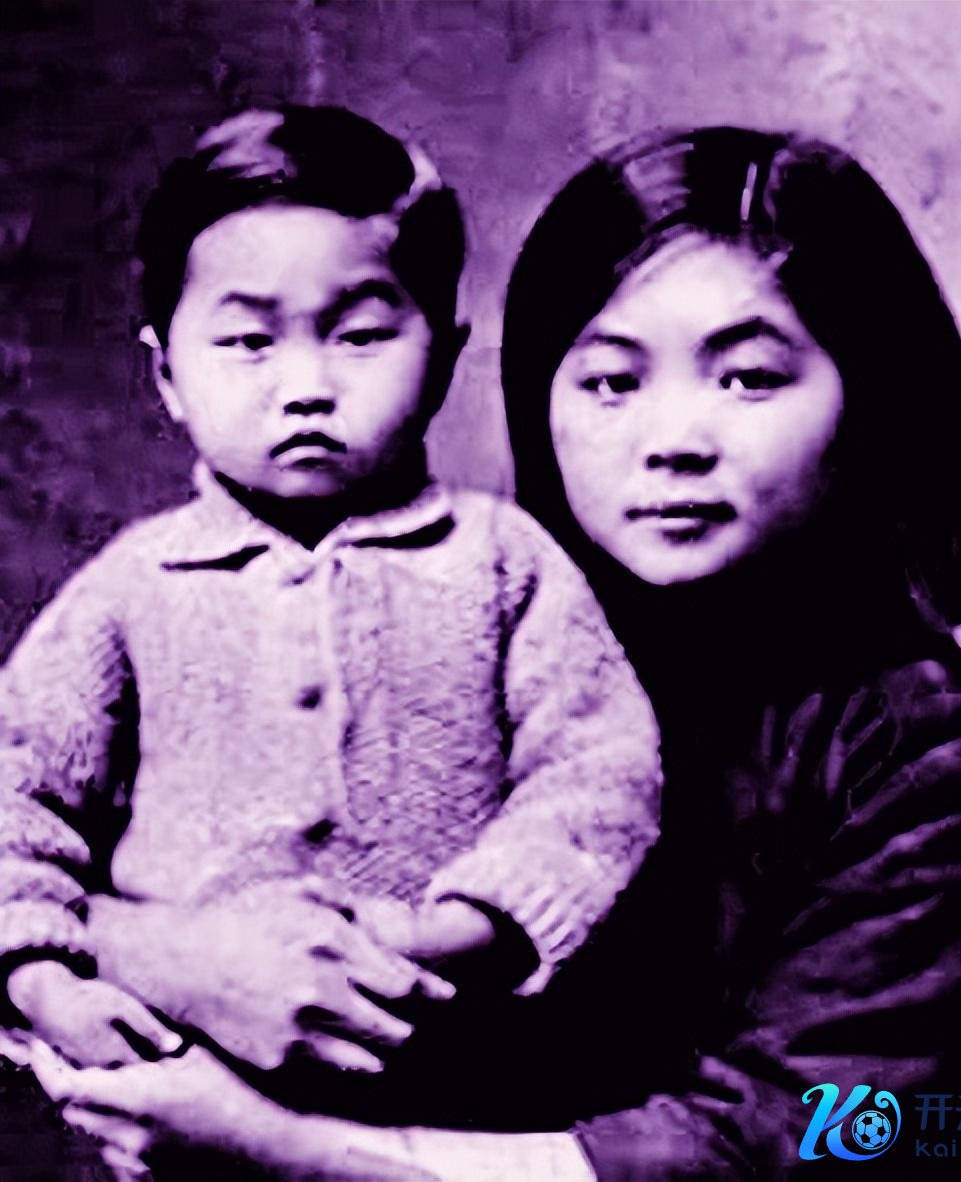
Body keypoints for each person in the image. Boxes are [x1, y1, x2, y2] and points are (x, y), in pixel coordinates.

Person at [32, 126, 961, 1182]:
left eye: (749, 379)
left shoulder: (958, 764)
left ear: (877, 396)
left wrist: (289, 1152)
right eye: (610, 383)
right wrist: (178, 957)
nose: (674, 441)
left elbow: (799, 1139)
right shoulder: (478, 649)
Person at [0, 105, 660, 1177]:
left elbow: (597, 775)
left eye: (359, 334)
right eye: (247, 342)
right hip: (182, 1105)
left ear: (443, 356)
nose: (305, 386)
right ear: (167, 375)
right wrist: (43, 979)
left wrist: (461, 928)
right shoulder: (131, 586)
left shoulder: (503, 561)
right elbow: (13, 795)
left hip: (464, 1094)